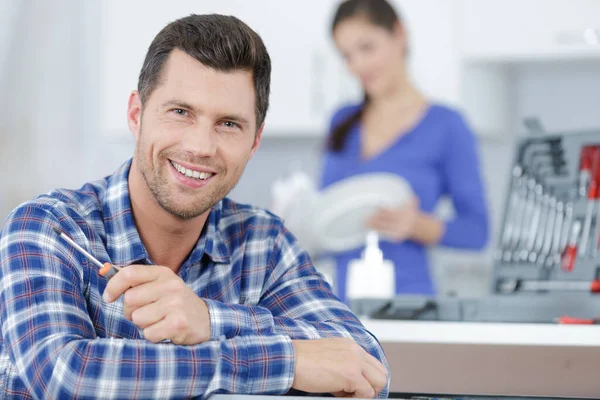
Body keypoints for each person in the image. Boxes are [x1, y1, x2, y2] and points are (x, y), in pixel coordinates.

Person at [0, 14, 389, 399]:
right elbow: (66, 376)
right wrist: (287, 361)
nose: (201, 146)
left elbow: (367, 365)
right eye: (180, 112)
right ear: (137, 115)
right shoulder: (49, 228)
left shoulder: (264, 243)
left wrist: (209, 319)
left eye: (229, 124)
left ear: (254, 142)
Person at [320, 0, 490, 302]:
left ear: (399, 34)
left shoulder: (447, 126)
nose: (356, 65)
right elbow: (325, 220)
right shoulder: (342, 121)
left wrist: (416, 225)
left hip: (409, 306)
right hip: (340, 308)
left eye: (367, 47)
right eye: (346, 55)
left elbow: (477, 231)